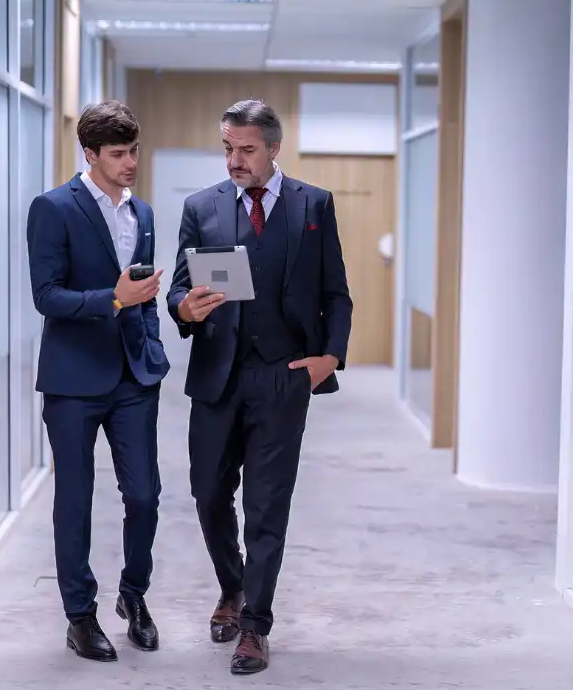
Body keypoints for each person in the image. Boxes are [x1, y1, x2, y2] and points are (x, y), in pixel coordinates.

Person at [167, 99, 353, 675]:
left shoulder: (313, 206)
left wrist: (331, 358)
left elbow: (336, 294)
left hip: (284, 374)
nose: (235, 160)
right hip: (217, 375)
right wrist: (186, 309)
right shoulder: (201, 207)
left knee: (267, 506)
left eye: (246, 149)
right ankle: (233, 586)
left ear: (274, 149)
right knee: (207, 495)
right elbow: (178, 290)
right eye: (227, 148)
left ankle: (255, 626)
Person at [26, 100, 170, 662]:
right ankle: (79, 616)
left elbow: (145, 291)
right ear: (90, 154)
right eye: (118, 153)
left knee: (145, 496)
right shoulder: (53, 208)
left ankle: (133, 597)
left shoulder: (146, 214)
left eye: (134, 150)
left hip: (134, 375)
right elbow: (46, 295)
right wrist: (112, 299)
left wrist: (151, 341)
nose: (130, 162)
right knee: (75, 501)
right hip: (73, 381)